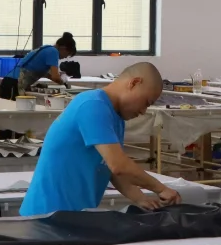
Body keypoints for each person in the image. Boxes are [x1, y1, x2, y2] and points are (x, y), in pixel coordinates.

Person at [20, 61, 182, 215]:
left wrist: (141, 199)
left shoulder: (115, 117)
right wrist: (161, 189)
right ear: (134, 83)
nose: (143, 111)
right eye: (146, 102)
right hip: (47, 215)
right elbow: (119, 165)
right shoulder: (93, 105)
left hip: (73, 216)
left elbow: (111, 170)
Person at [3, 32, 77, 98]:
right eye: (67, 54)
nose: (65, 57)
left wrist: (61, 78)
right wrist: (62, 81)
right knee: (18, 112)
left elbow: (49, 75)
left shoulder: (46, 49)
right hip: (14, 84)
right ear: (63, 48)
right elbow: (55, 77)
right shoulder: (53, 52)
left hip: (8, 81)